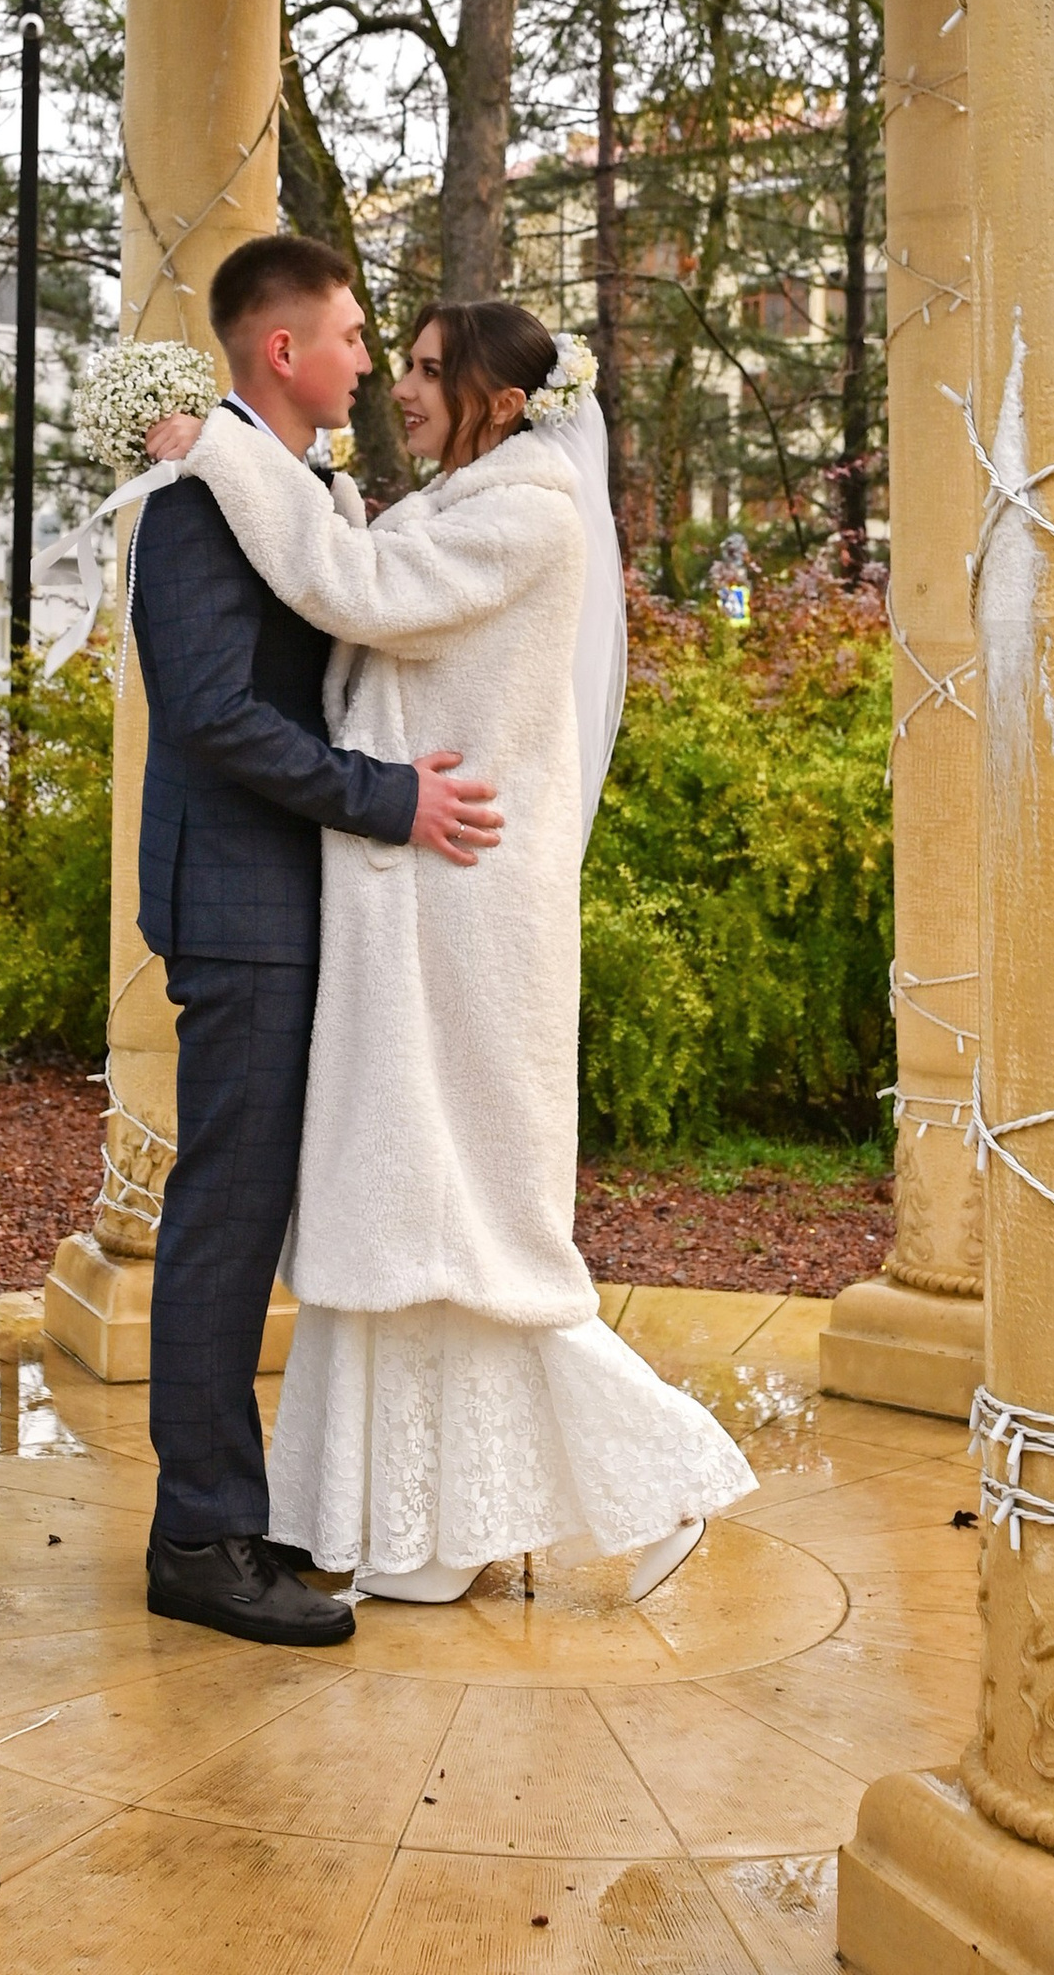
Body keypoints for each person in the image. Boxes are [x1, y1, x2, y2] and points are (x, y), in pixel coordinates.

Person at [149, 299, 756, 1606]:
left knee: (466, 1224)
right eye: (395, 358)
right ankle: (408, 1531)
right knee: (404, 1211)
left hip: (462, 907)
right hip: (409, 896)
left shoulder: (528, 516)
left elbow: (351, 586)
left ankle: (662, 1476)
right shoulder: (464, 504)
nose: (399, 385)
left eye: (426, 369)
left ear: (493, 393)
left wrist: (215, 447)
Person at [130, 231, 508, 1651]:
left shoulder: (297, 495)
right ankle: (199, 1539)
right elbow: (216, 717)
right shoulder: (193, 504)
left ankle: (257, 1503)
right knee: (226, 1224)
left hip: (301, 908)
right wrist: (391, 801)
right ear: (281, 353)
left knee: (262, 1219)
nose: (366, 358)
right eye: (351, 337)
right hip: (242, 915)